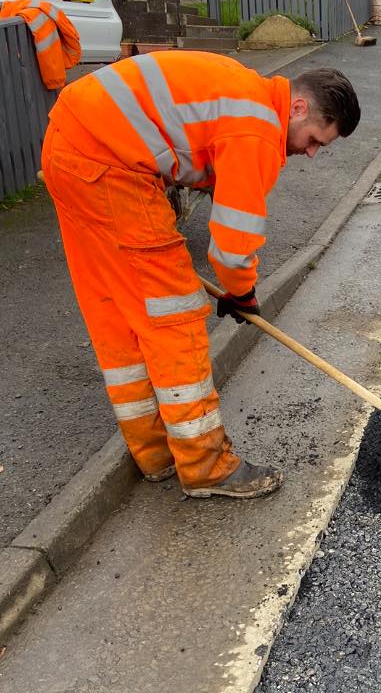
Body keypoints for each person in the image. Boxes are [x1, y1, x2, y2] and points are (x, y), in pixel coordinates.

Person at [42, 53, 360, 500]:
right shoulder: (259, 131)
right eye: (315, 142)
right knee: (173, 312)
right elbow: (232, 246)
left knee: (118, 308)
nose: (309, 153)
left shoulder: (245, 94)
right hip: (109, 167)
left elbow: (192, 146)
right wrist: (242, 293)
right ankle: (204, 464)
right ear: (299, 108)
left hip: (71, 146)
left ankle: (154, 452)